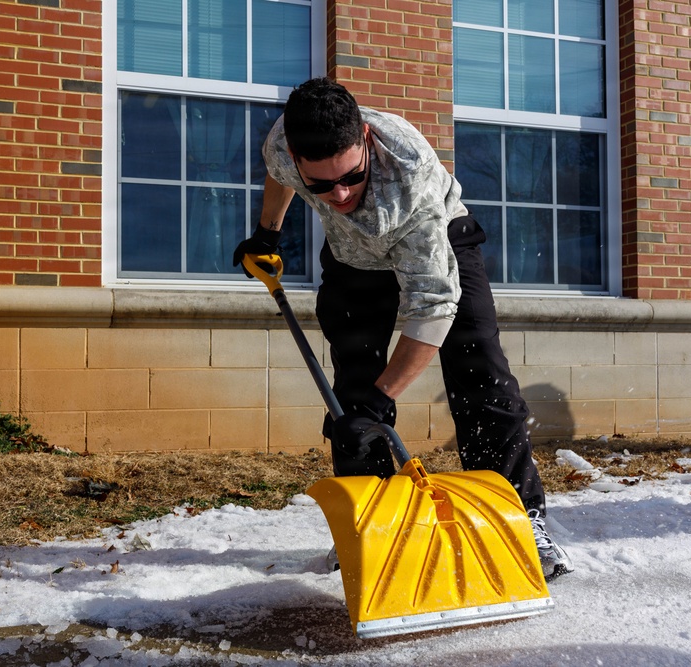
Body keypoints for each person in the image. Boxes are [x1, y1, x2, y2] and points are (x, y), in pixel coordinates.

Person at [232, 77, 572, 580]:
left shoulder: (407, 177)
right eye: (321, 185)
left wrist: (383, 398)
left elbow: (432, 308)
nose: (339, 193)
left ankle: (520, 519)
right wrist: (267, 234)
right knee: (350, 394)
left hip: (441, 243)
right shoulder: (285, 142)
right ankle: (374, 528)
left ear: (366, 139)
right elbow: (279, 172)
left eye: (350, 177)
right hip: (353, 258)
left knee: (481, 374)